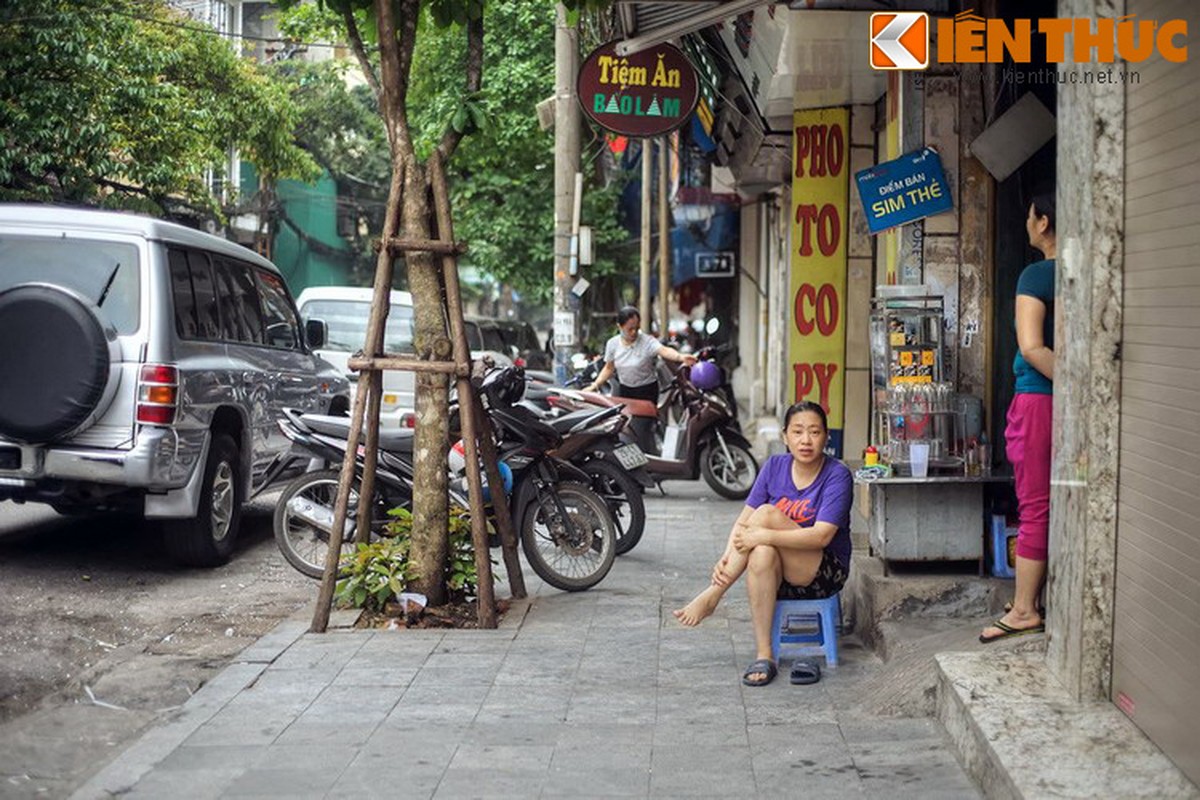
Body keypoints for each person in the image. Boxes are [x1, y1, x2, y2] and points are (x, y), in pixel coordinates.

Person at [673, 401, 853, 687]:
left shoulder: (837, 475)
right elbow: (744, 522)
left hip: (823, 571)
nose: (806, 440)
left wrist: (763, 535)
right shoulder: (774, 466)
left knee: (767, 516)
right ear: (785, 436)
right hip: (776, 572)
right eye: (797, 432)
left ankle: (714, 594)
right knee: (761, 553)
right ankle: (764, 654)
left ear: (826, 437)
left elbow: (821, 536)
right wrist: (726, 555)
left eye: (814, 432)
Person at [980, 193, 1056, 644]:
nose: (1027, 223)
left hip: (1039, 401)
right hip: (1055, 404)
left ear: (1043, 222)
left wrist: (1072, 386)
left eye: (1030, 216)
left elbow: (1031, 346)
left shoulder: (1038, 274)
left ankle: (1026, 608)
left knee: (1034, 505)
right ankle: (1030, 596)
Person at [585, 306, 696, 400]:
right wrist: (595, 385)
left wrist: (680, 357)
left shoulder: (647, 341)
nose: (634, 332)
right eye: (630, 329)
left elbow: (663, 350)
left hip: (647, 390)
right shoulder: (612, 344)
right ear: (620, 326)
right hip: (625, 390)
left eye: (637, 328)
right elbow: (609, 367)